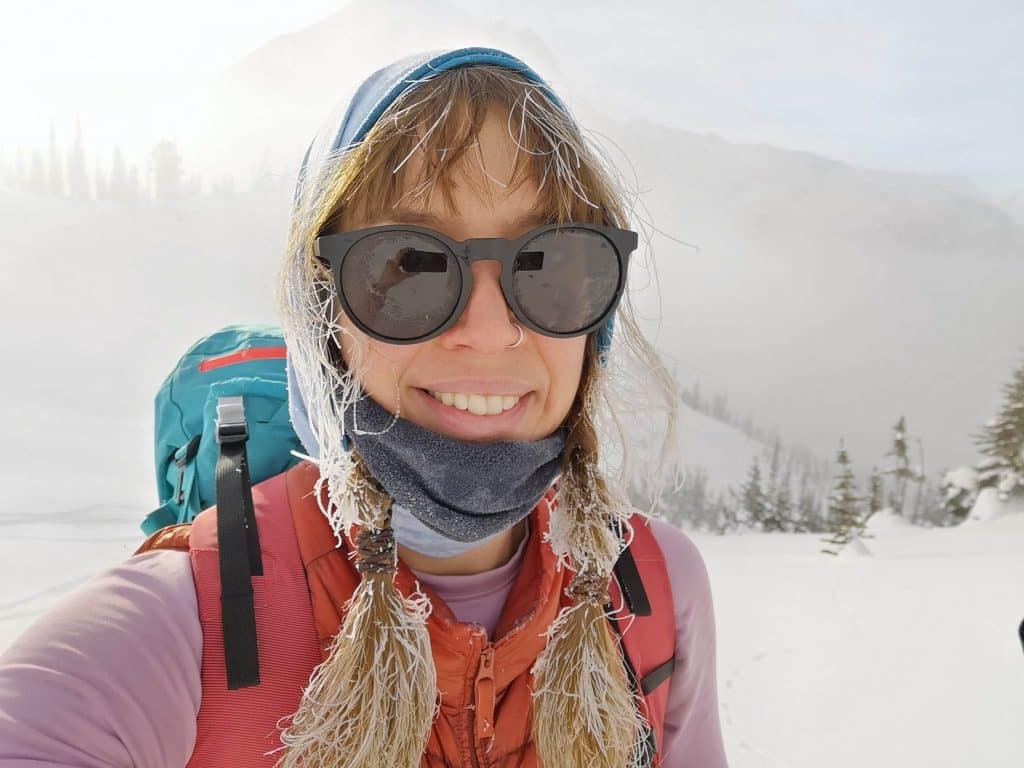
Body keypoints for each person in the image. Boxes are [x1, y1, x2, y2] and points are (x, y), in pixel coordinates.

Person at [0, 47, 729, 767]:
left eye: (551, 262)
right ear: (325, 320)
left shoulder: (654, 586)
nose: (489, 330)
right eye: (408, 264)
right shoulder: (174, 628)